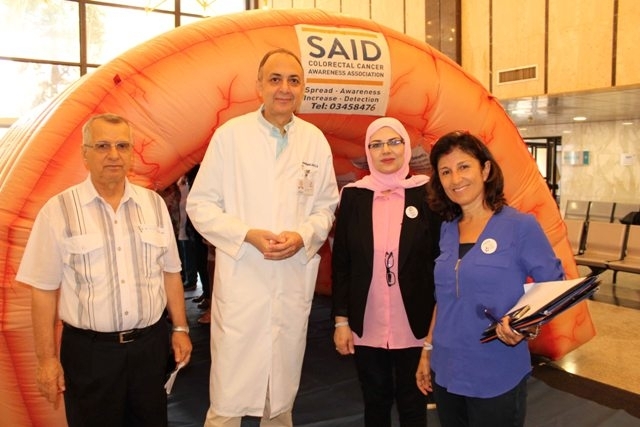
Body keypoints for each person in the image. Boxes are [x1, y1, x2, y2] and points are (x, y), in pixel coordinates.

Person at [186, 47, 339, 427]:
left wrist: (303, 235)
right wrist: (245, 234)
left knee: (279, 399)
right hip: (243, 279)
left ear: (302, 88)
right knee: (227, 400)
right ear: (259, 86)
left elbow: (326, 207)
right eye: (275, 79)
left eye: (293, 80)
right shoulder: (230, 136)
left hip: (290, 280)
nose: (284, 88)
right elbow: (200, 205)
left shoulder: (314, 140)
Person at [16, 113, 193, 427]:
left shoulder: (154, 205)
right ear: (84, 154)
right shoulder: (58, 211)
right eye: (102, 146)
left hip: (149, 349)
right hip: (89, 355)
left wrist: (180, 329)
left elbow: (170, 272)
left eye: (122, 146)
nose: (114, 154)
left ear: (131, 153)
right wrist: (46, 360)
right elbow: (43, 290)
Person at [415, 131, 564, 427]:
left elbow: (553, 285)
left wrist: (525, 325)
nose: (455, 179)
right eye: (445, 172)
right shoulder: (447, 229)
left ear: (485, 170)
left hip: (496, 369)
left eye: (464, 167)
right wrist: (427, 350)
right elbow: (444, 299)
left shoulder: (519, 226)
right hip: (447, 368)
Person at [332, 117, 441, 427]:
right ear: (368, 152)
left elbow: (439, 260)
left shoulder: (428, 194)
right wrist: (341, 320)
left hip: (415, 320)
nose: (386, 150)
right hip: (367, 320)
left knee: (413, 402)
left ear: (406, 147)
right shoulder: (354, 195)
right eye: (376, 144)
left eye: (394, 142)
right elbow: (342, 262)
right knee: (375, 400)